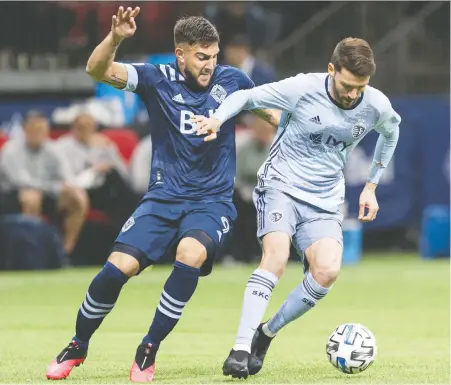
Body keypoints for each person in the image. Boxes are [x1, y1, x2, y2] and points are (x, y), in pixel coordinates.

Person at [45, 6, 279, 383]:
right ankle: (79, 343)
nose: (210, 65)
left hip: (211, 201)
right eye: (202, 57)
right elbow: (97, 70)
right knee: (115, 270)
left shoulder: (234, 81)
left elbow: (274, 115)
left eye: (215, 56)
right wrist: (116, 38)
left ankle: (149, 347)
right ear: (181, 54)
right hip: (162, 198)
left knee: (189, 254)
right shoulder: (157, 78)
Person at [194, 37, 401, 379]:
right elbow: (246, 97)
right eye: (347, 85)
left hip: (324, 198)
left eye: (360, 88)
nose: (352, 95)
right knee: (274, 258)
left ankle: (266, 334)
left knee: (327, 271)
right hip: (282, 185)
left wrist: (371, 186)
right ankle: (240, 348)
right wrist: (217, 119)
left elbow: (391, 132)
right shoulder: (302, 87)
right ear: (332, 70)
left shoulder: (375, 104)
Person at [0, 110, 88, 255]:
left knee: (78, 198)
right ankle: (31, 252)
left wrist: (68, 188)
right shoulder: (11, 150)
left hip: (46, 193)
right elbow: (22, 181)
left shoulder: (53, 149)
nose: (39, 134)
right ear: (25, 130)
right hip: (11, 196)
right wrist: (55, 187)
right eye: (35, 130)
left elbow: (67, 177)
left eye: (42, 130)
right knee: (31, 197)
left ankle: (65, 252)